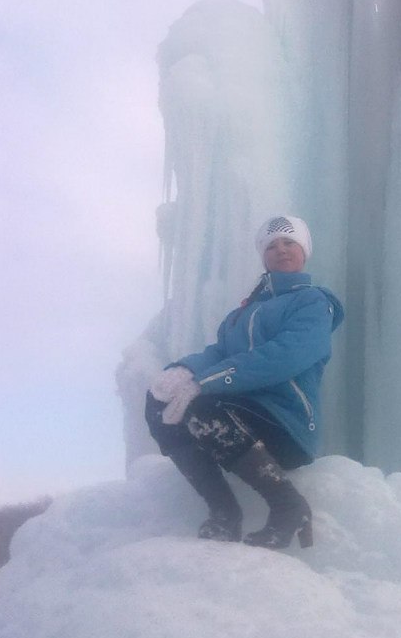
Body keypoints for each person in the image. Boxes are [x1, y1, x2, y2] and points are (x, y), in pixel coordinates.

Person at [146, 215, 344, 550]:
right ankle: (224, 513)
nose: (281, 250)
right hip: (239, 418)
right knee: (158, 404)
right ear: (264, 256)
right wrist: (180, 370)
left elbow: (285, 355)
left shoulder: (313, 302)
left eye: (289, 243)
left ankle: (288, 505)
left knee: (201, 407)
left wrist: (204, 383)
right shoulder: (240, 315)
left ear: (304, 251)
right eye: (272, 246)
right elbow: (219, 352)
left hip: (284, 424)